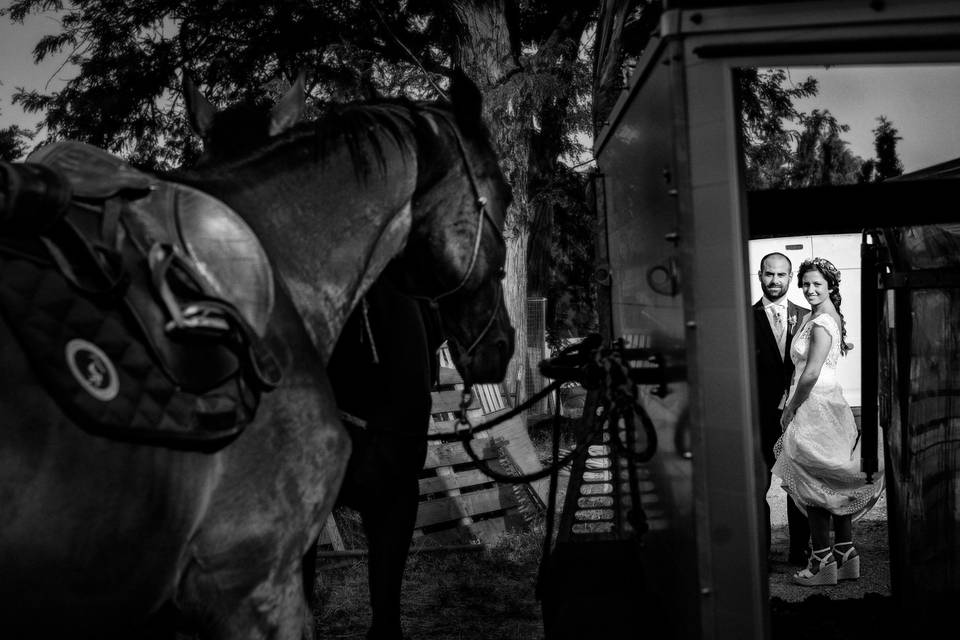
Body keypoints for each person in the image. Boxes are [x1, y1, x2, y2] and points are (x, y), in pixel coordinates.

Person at [772, 257, 885, 586]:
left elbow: (810, 373)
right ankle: (846, 556)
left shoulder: (821, 322)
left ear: (831, 286)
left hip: (814, 405)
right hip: (829, 404)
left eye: (817, 284)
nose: (809, 289)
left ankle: (822, 563)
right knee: (832, 484)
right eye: (805, 283)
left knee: (813, 484)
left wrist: (790, 408)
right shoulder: (819, 315)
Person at [754, 252, 810, 566]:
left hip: (796, 420)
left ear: (790, 278)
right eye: (769, 274)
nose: (775, 281)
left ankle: (799, 549)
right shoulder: (744, 318)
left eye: (781, 275)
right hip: (759, 419)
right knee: (757, 487)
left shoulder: (805, 316)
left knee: (797, 486)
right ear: (760, 275)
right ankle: (761, 553)